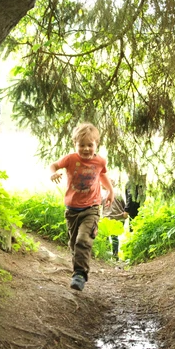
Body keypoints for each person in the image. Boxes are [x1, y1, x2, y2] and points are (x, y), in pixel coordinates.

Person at [48, 123, 113, 291]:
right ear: (74, 145)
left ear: (96, 144)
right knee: (74, 244)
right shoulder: (70, 159)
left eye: (90, 145)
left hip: (91, 207)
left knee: (83, 240)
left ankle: (79, 274)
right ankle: (78, 268)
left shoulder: (100, 161)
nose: (86, 149)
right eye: (81, 145)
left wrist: (110, 191)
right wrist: (52, 173)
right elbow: (53, 165)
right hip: (72, 209)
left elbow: (102, 175)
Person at [101, 183, 128, 259]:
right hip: (119, 218)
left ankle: (108, 254)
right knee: (114, 237)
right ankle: (115, 255)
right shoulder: (118, 194)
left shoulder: (104, 195)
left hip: (108, 218)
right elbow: (124, 206)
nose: (101, 184)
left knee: (105, 237)